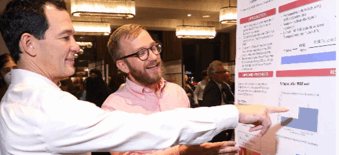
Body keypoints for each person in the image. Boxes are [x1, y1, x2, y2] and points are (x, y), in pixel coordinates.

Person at [0, 0, 288, 154]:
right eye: (66, 37)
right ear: (29, 44)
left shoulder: (26, 100)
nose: (76, 46)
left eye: (153, 48)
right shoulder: (44, 109)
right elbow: (148, 129)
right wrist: (235, 113)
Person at [102, 24, 239, 155]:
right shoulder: (112, 109)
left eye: (153, 47)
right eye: (141, 53)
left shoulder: (177, 92)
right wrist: (181, 152)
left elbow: (191, 137)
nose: (154, 57)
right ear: (123, 66)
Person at [201, 60, 235, 142]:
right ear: (213, 75)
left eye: (224, 72)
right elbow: (212, 109)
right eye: (220, 73)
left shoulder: (221, 85)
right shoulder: (211, 88)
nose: (224, 75)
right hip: (216, 127)